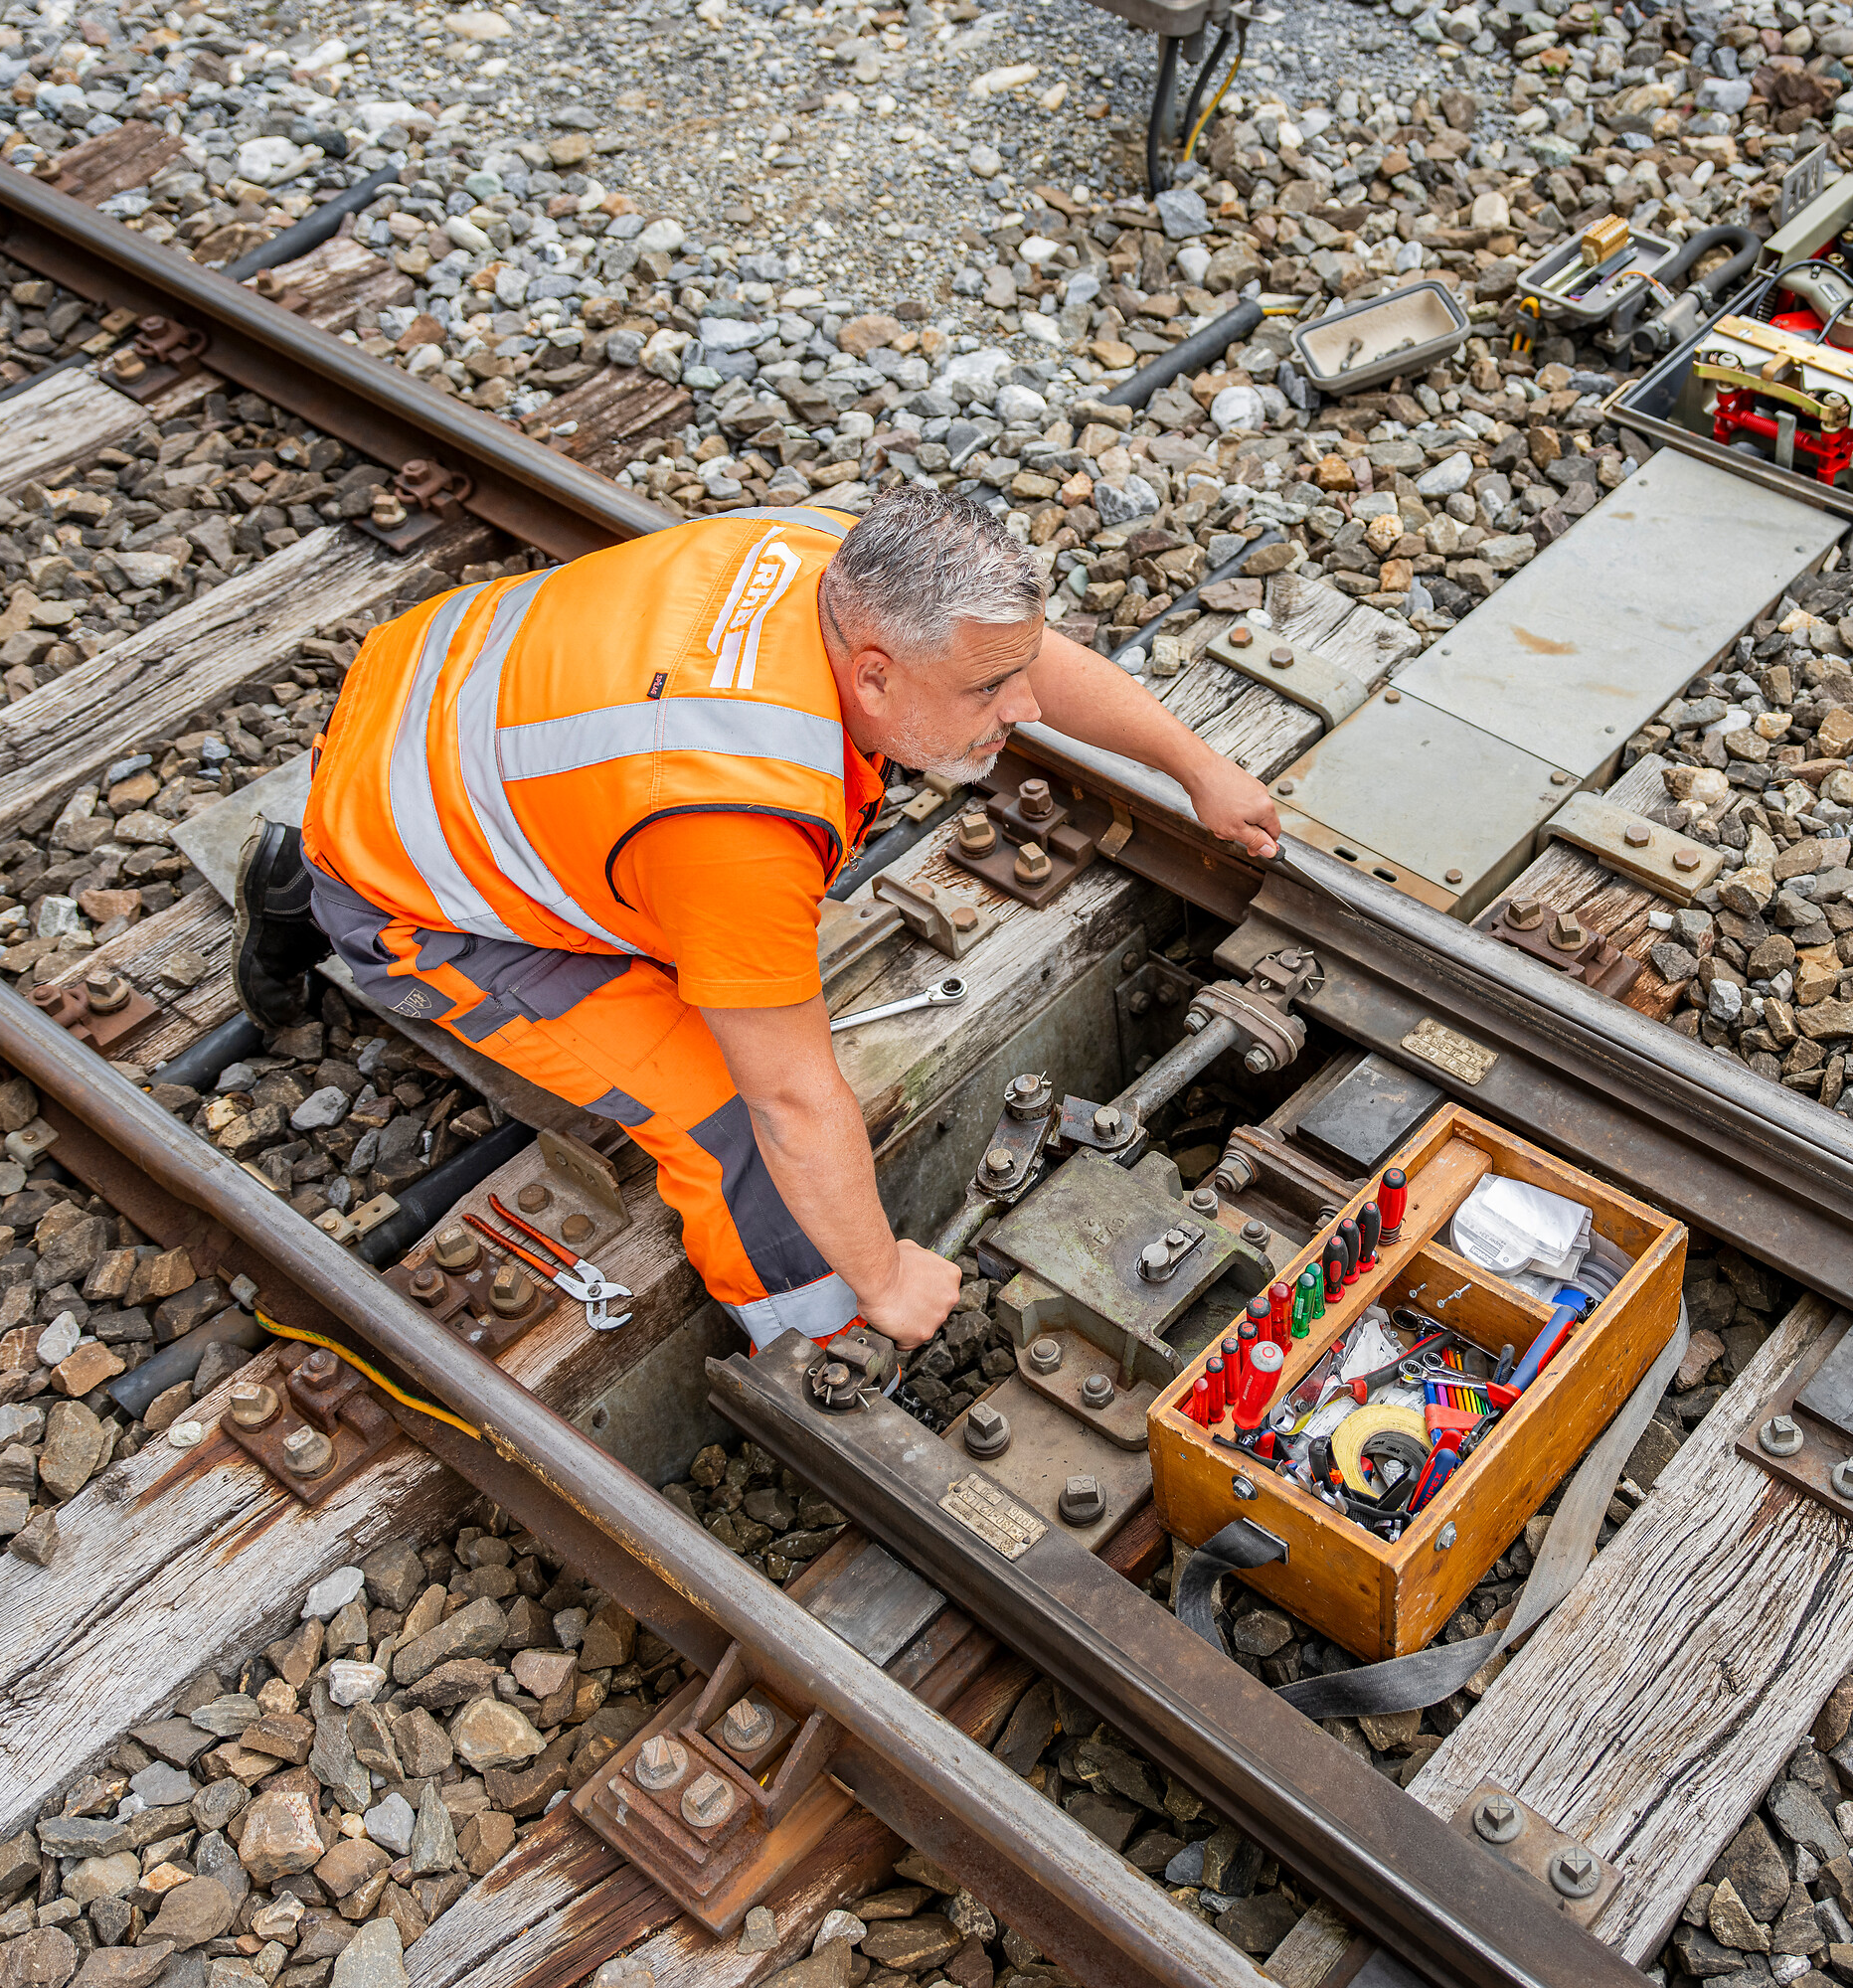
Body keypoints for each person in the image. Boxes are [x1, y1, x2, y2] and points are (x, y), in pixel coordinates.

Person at [238, 487, 1282, 1353]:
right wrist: (880, 1275)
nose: (1026, 711)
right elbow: (788, 1101)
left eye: (1014, 678)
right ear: (873, 669)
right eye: (989, 692)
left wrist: (1195, 767)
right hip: (419, 888)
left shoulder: (840, 558)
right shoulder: (731, 823)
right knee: (726, 1116)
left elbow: (1027, 659)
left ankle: (308, 863)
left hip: (430, 709)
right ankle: (816, 1348)